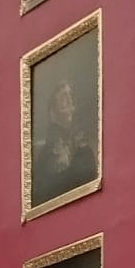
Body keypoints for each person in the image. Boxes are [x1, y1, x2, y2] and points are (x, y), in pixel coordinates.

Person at [31, 76, 98, 208]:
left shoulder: (81, 143)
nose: (69, 99)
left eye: (70, 95)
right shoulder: (47, 154)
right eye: (62, 97)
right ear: (52, 110)